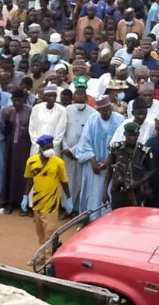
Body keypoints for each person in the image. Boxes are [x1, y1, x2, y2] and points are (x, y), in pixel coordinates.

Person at [23, 134, 70, 266]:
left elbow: (64, 181)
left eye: (51, 147)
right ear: (41, 148)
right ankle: (41, 256)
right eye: (47, 147)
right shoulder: (31, 162)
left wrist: (69, 198)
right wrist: (25, 196)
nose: (50, 149)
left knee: (50, 233)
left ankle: (50, 259)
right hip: (37, 203)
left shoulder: (58, 163)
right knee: (40, 233)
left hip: (51, 204)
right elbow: (29, 179)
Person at [77, 96, 125, 220]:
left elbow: (121, 143)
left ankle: (107, 220)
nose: (106, 112)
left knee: (108, 194)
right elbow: (85, 141)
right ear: (98, 110)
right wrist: (92, 160)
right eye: (103, 110)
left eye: (108, 109)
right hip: (94, 167)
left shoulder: (119, 119)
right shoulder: (92, 120)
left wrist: (109, 161)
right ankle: (92, 219)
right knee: (93, 194)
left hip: (112, 165)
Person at [61, 83, 97, 214]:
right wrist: (65, 148)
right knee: (66, 180)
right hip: (65, 152)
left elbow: (88, 135)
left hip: (81, 154)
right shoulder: (67, 110)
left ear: (87, 99)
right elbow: (62, 130)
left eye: (82, 100)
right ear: (73, 98)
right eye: (77, 100)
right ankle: (65, 208)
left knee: (79, 182)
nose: (79, 103)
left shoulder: (93, 114)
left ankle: (76, 209)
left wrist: (74, 150)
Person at [104, 123, 154, 209]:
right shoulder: (116, 149)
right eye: (129, 135)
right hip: (118, 192)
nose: (132, 138)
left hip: (136, 192)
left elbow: (151, 170)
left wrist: (138, 183)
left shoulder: (142, 151)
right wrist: (105, 192)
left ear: (138, 135)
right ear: (124, 134)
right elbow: (109, 169)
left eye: (134, 135)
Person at [1, 88, 34, 214]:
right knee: (10, 174)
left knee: (24, 175)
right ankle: (10, 203)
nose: (16, 103)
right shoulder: (7, 111)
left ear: (24, 100)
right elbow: (3, 130)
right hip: (11, 148)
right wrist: (8, 119)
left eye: (19, 100)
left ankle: (24, 204)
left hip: (25, 147)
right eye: (14, 101)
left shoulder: (30, 111)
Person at [29, 84, 67, 157]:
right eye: (49, 96)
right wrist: (39, 145)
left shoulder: (62, 110)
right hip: (36, 147)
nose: (52, 98)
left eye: (54, 96)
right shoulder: (36, 108)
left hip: (53, 149)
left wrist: (50, 147)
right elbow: (32, 129)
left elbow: (60, 131)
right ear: (44, 97)